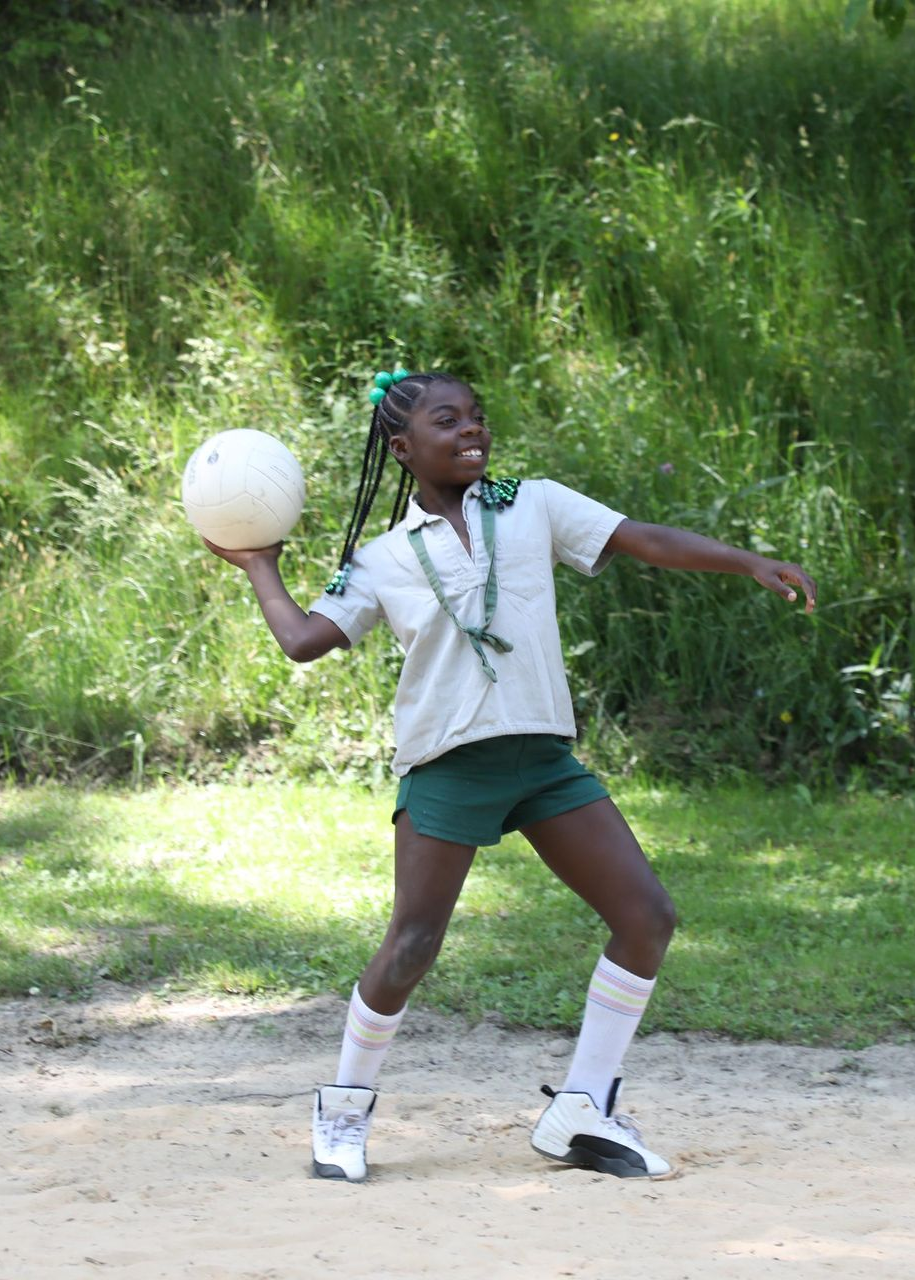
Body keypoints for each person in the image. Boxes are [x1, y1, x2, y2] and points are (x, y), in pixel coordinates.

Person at [204, 367, 816, 1183]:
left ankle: (581, 1110)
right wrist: (259, 566)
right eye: (447, 420)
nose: (471, 431)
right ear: (402, 447)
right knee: (413, 944)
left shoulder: (533, 504)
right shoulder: (383, 557)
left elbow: (643, 539)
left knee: (646, 916)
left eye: (477, 418)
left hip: (540, 760)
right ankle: (342, 1113)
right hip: (450, 764)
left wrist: (747, 562)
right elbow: (306, 639)